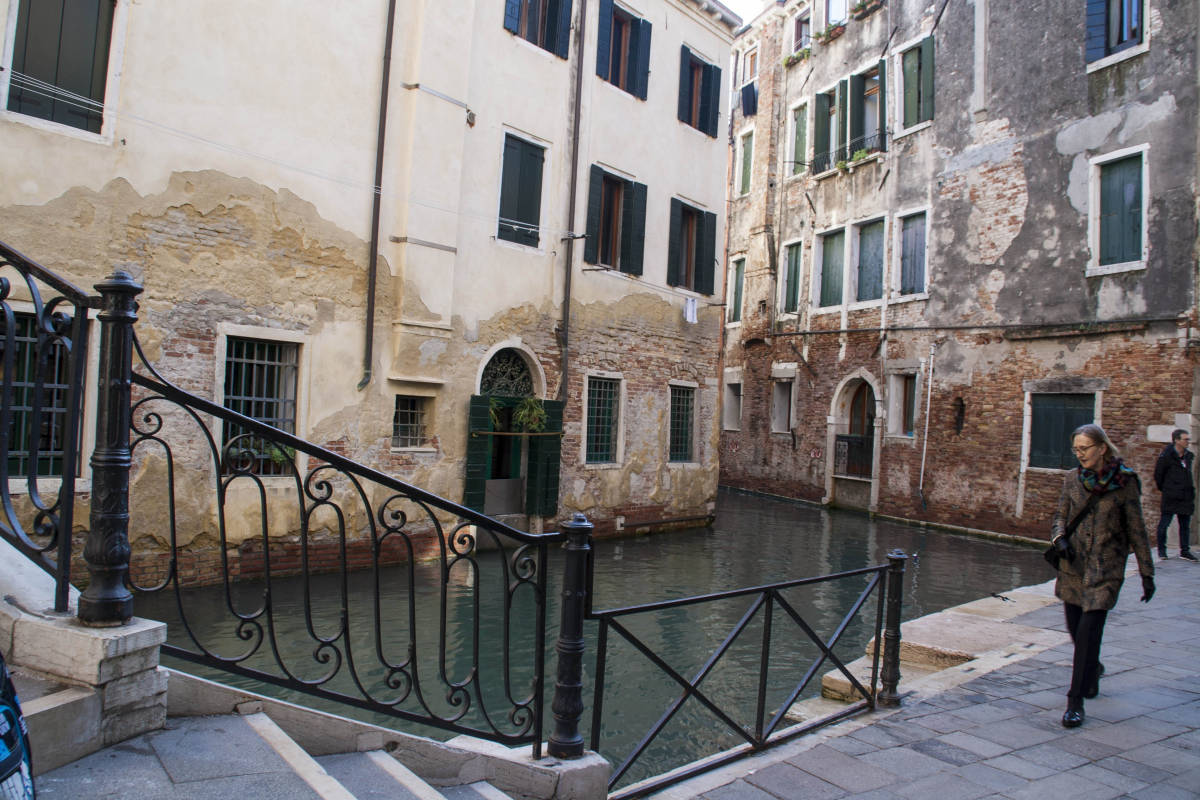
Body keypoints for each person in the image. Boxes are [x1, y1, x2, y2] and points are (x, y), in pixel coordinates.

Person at [1050, 423, 1155, 728]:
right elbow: (1059, 516)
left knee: (1088, 633)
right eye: (1076, 449)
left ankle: (1075, 700)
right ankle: (1092, 669)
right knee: (1075, 631)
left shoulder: (1125, 483)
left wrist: (1147, 573)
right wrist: (1060, 540)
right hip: (1073, 567)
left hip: (1107, 569)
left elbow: (1137, 529)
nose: (1079, 454)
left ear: (1102, 448)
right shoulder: (1072, 480)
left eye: (1084, 448)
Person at [1153, 428, 1196, 561]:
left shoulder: (1188, 456)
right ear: (1177, 440)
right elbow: (1158, 476)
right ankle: (1162, 550)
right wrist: (1167, 489)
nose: (1188, 441)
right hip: (1171, 495)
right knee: (1164, 523)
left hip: (1185, 495)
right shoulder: (1166, 456)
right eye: (1185, 439)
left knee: (1184, 525)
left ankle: (1185, 550)